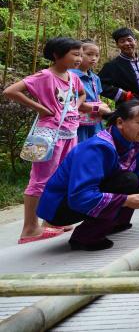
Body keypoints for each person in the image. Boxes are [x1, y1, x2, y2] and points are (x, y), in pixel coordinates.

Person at [36, 100, 139, 250]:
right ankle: (85, 237)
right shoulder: (96, 148)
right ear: (120, 122)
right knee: (128, 180)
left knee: (131, 179)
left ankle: (114, 223)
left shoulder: (136, 140)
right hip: (61, 206)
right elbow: (80, 196)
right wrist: (125, 200)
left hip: (83, 196)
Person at [3, 37, 89, 244]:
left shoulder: (73, 77)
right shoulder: (44, 76)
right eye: (74, 54)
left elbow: (82, 94)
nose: (79, 58)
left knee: (61, 178)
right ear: (56, 55)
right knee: (39, 181)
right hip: (47, 135)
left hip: (70, 133)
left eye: (80, 54)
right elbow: (10, 91)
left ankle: (51, 222)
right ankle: (29, 228)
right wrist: (40, 108)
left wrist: (75, 106)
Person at [70, 39, 112, 142]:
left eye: (97, 55)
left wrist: (102, 106)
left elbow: (97, 99)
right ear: (78, 55)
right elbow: (73, 103)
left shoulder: (95, 78)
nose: (94, 58)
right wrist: (98, 108)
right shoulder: (70, 76)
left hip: (94, 122)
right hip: (77, 124)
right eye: (89, 54)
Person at [99, 27, 139, 103]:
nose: (127, 44)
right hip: (128, 108)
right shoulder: (112, 65)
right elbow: (98, 84)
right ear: (117, 45)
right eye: (122, 41)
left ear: (135, 41)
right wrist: (122, 94)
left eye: (129, 40)